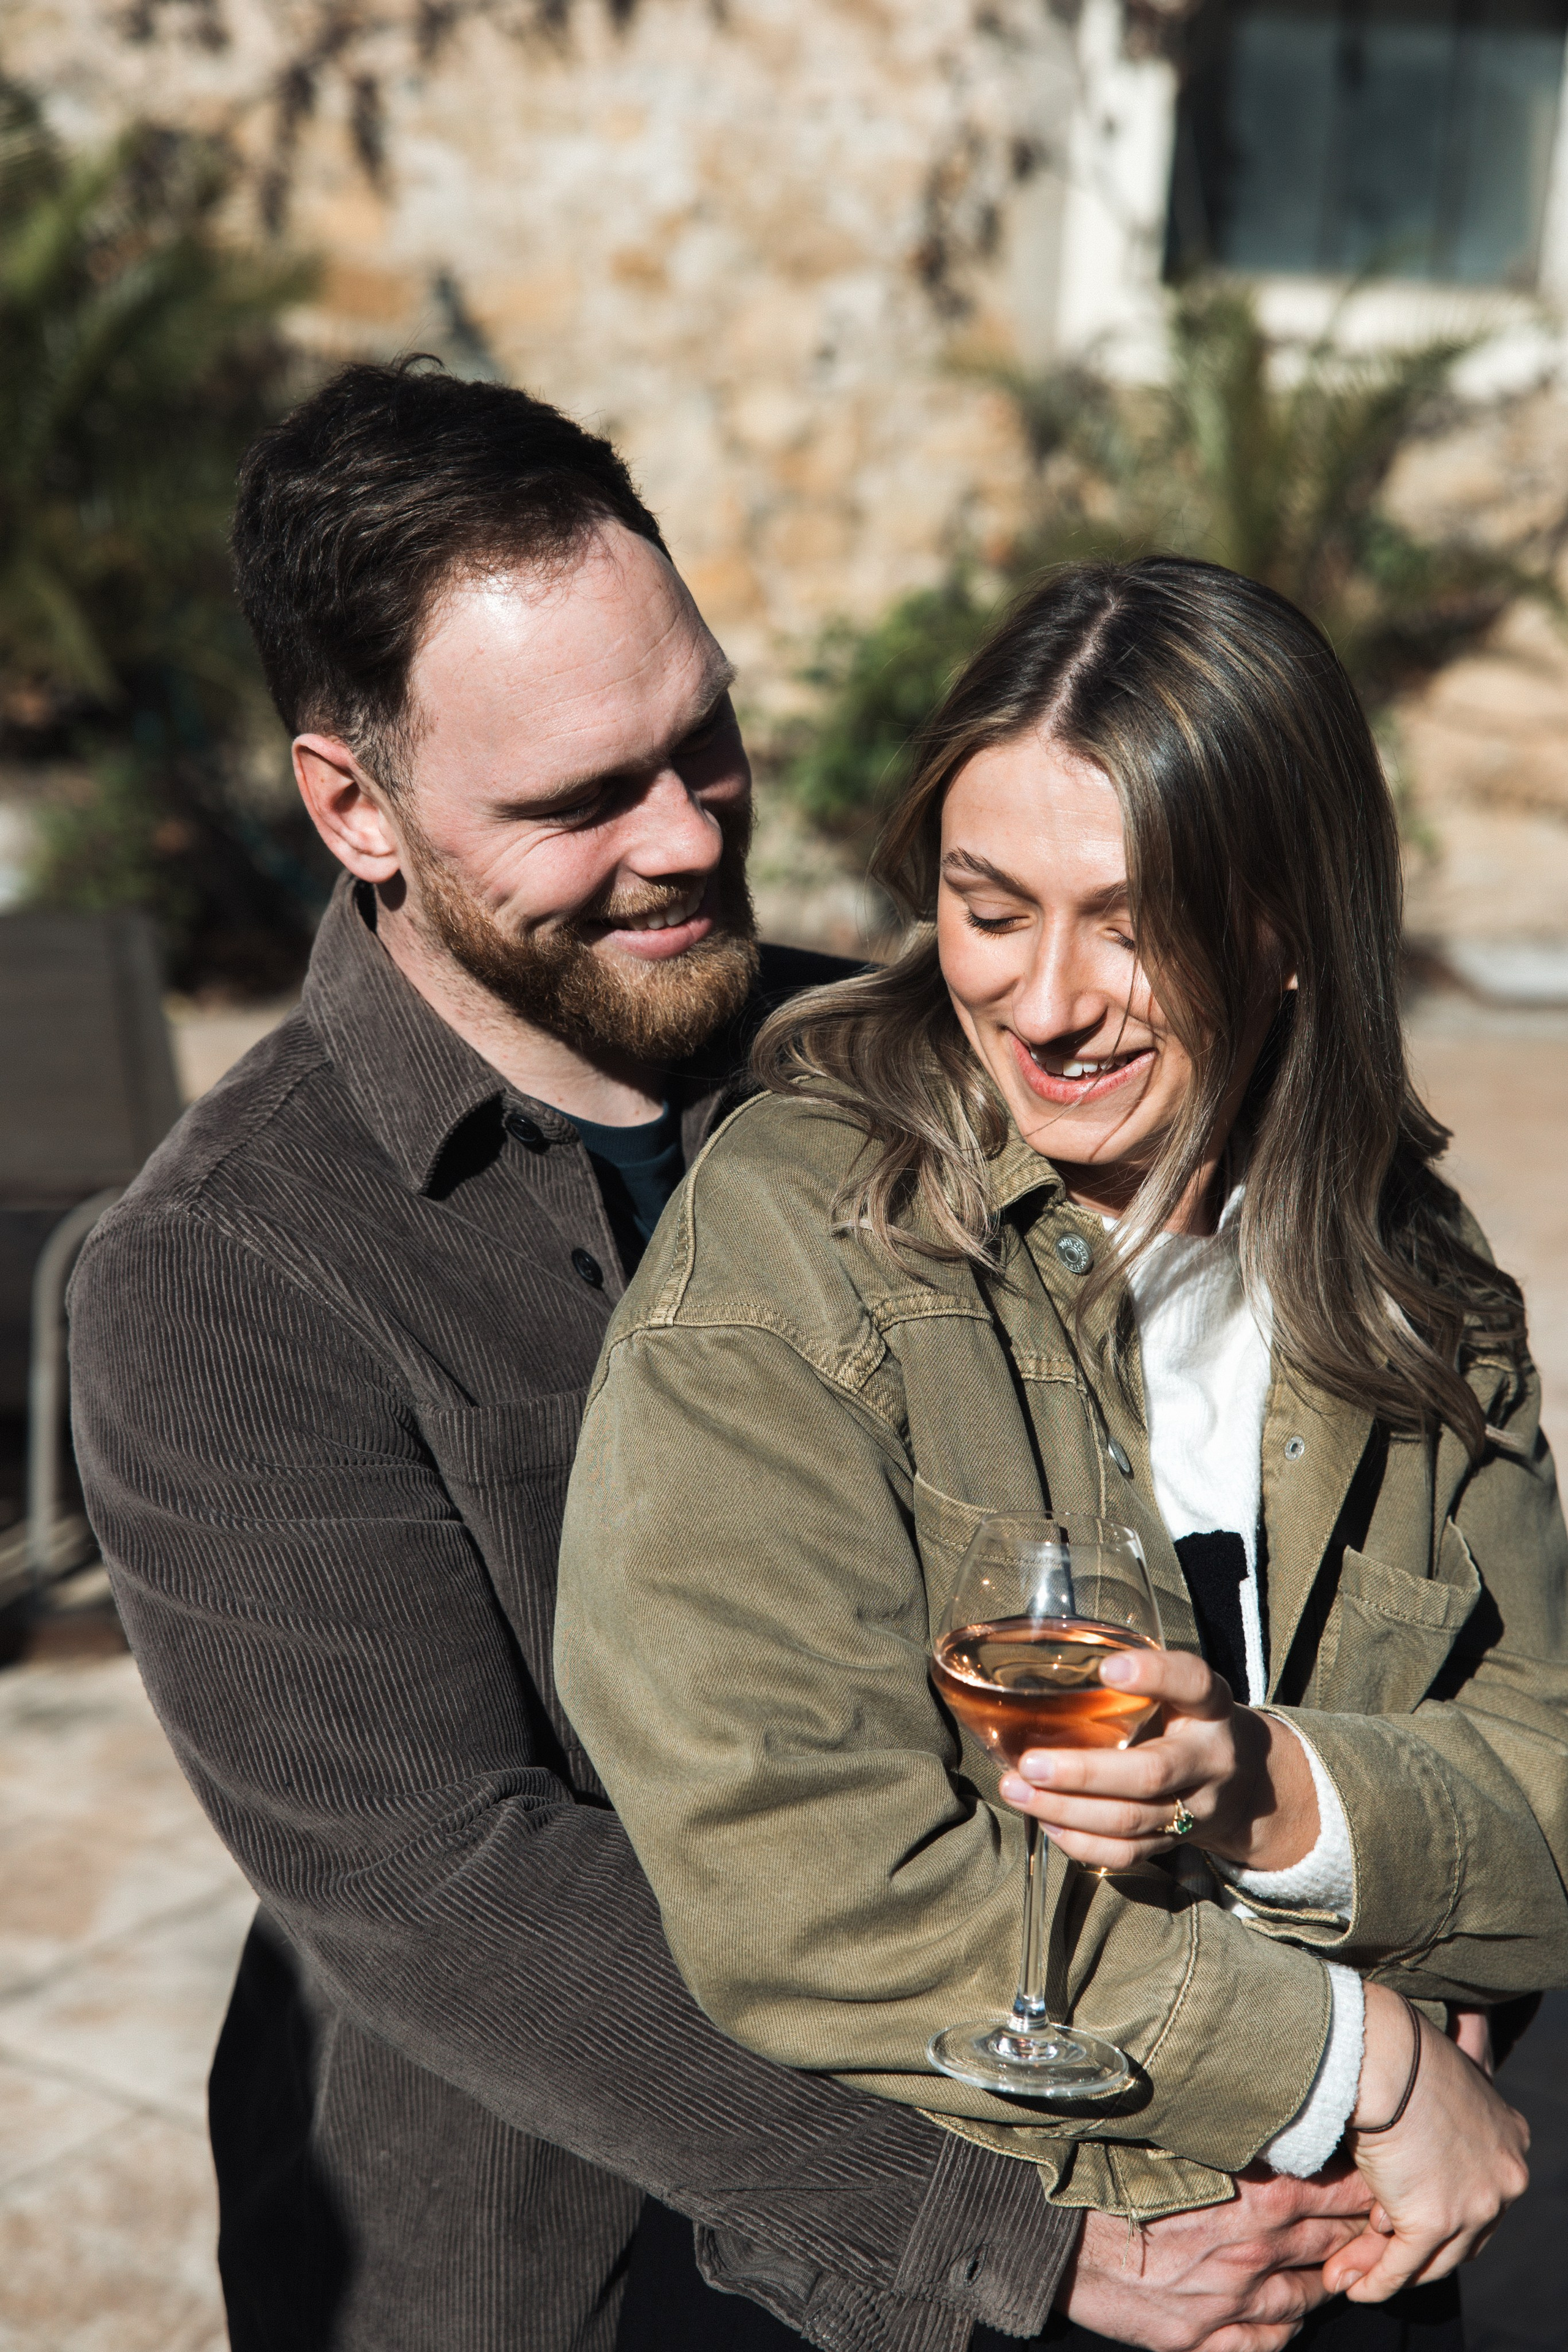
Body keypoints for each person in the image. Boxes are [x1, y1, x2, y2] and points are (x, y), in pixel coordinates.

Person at [67, 374, 1366, 2352]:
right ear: (358, 809)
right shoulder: (223, 1273)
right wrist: (1006, 2237)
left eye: (707, 743)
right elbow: (446, 1887)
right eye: (583, 802)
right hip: (562, 2260)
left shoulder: (908, 1053)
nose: (687, 840)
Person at [556, 556, 1566, 2350]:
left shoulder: (1420, 1288)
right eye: (989, 905)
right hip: (965, 2296)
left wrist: (1263, 1789)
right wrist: (1359, 2055)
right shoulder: (795, 1244)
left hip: (1345, 2281)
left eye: (1131, 919)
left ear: (1286, 927)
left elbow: (1546, 1789)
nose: (1045, 1000)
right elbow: (795, 1873)